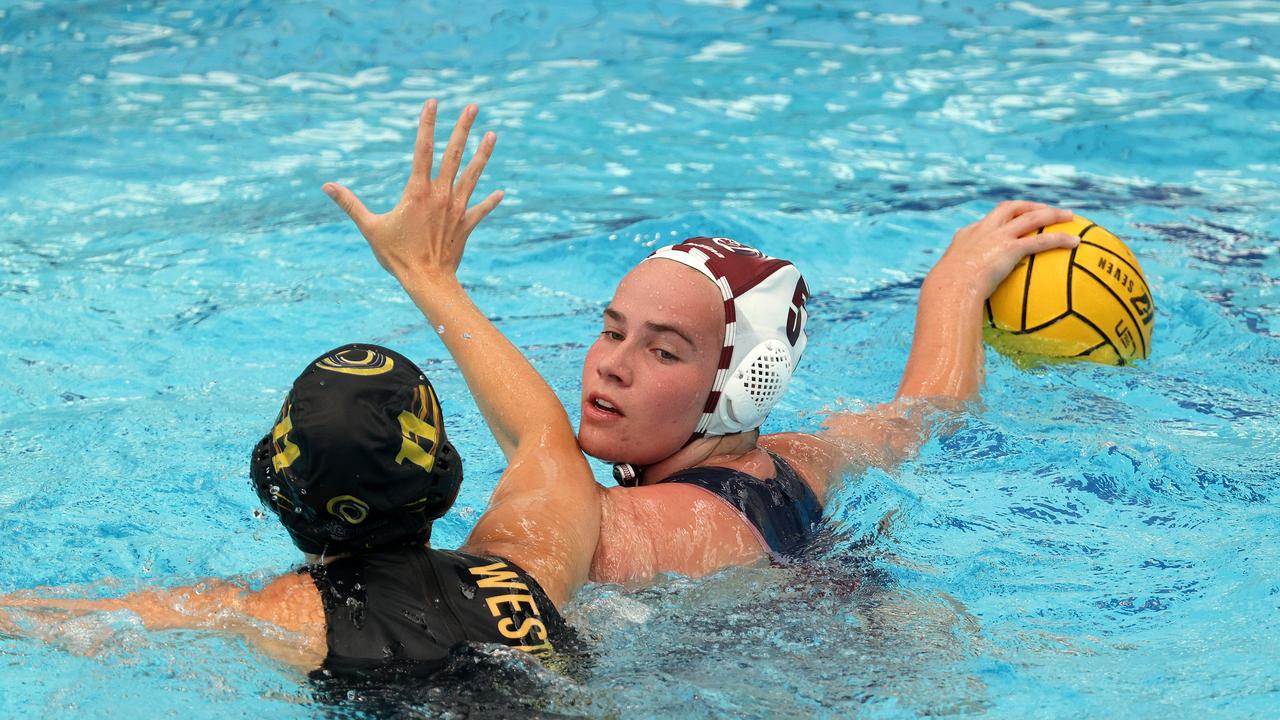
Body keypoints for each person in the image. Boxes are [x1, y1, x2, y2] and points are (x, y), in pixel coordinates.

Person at [324, 100, 1083, 585]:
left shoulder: (664, 527)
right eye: (612, 330)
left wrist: (429, 278)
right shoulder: (801, 464)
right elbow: (927, 411)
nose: (611, 367)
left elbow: (535, 482)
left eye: (663, 350)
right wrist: (955, 283)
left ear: (737, 386)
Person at [0, 104, 604, 674]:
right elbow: (542, 439)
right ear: (443, 480)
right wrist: (429, 275)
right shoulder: (523, 570)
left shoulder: (284, 613)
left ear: (276, 491)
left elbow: (57, 619)